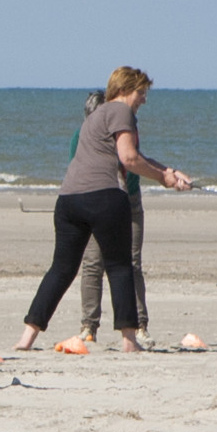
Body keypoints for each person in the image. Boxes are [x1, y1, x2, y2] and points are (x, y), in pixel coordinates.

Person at [12, 66, 191, 354]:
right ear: (125, 90)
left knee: (61, 269)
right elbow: (129, 158)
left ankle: (26, 338)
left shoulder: (95, 116)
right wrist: (161, 178)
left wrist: (169, 171)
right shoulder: (121, 111)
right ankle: (129, 340)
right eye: (141, 92)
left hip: (69, 200)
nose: (144, 99)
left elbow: (132, 155)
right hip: (104, 198)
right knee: (120, 267)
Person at [71, 90, 151, 347]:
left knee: (131, 263)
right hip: (97, 201)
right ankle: (89, 325)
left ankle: (139, 326)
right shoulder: (82, 136)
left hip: (128, 200)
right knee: (93, 263)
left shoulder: (126, 130)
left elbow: (133, 162)